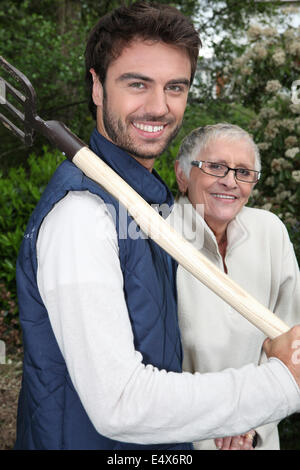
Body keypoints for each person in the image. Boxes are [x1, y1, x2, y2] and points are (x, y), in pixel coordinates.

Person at [15, 2, 300, 451]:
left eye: (175, 87)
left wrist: (220, 414)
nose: (159, 106)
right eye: (137, 84)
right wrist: (283, 383)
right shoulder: (81, 217)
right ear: (96, 87)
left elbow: (160, 357)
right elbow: (122, 404)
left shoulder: (151, 202)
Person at [169, 123, 300, 450]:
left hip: (258, 436)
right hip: (186, 440)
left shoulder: (269, 231)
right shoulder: (159, 236)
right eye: (215, 167)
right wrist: (221, 423)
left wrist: (251, 425)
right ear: (182, 175)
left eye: (244, 172)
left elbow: (290, 342)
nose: (230, 181)